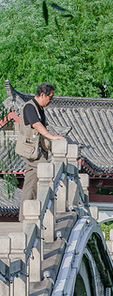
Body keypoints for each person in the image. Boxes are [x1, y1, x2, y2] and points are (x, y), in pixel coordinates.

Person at [15, 83, 66, 215]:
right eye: (50, 97)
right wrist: (52, 137)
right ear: (42, 94)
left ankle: (26, 214)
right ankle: (47, 211)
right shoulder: (29, 107)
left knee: (31, 184)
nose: (51, 101)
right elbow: (36, 125)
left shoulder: (40, 109)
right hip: (30, 151)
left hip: (37, 151)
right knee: (47, 171)